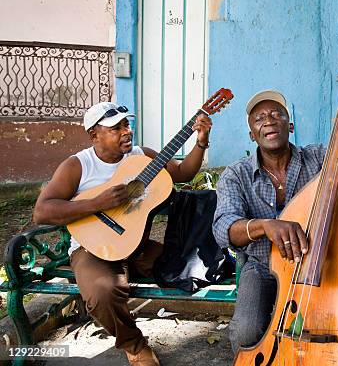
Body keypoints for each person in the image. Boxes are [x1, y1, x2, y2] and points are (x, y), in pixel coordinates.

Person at [212, 55, 338, 353]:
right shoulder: (236, 174)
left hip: (321, 262)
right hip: (262, 266)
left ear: (289, 125)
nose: (268, 119)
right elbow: (224, 229)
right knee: (245, 332)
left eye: (276, 114)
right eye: (259, 118)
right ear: (251, 134)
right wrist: (265, 226)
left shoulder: (322, 157)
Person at [33, 102, 212, 366]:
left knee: (194, 269)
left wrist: (201, 142)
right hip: (92, 248)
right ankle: (135, 345)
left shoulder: (142, 157)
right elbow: (42, 211)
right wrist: (97, 203)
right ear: (94, 135)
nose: (126, 131)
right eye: (116, 128)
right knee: (102, 293)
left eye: (127, 125)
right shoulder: (78, 165)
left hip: (134, 244)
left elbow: (183, 172)